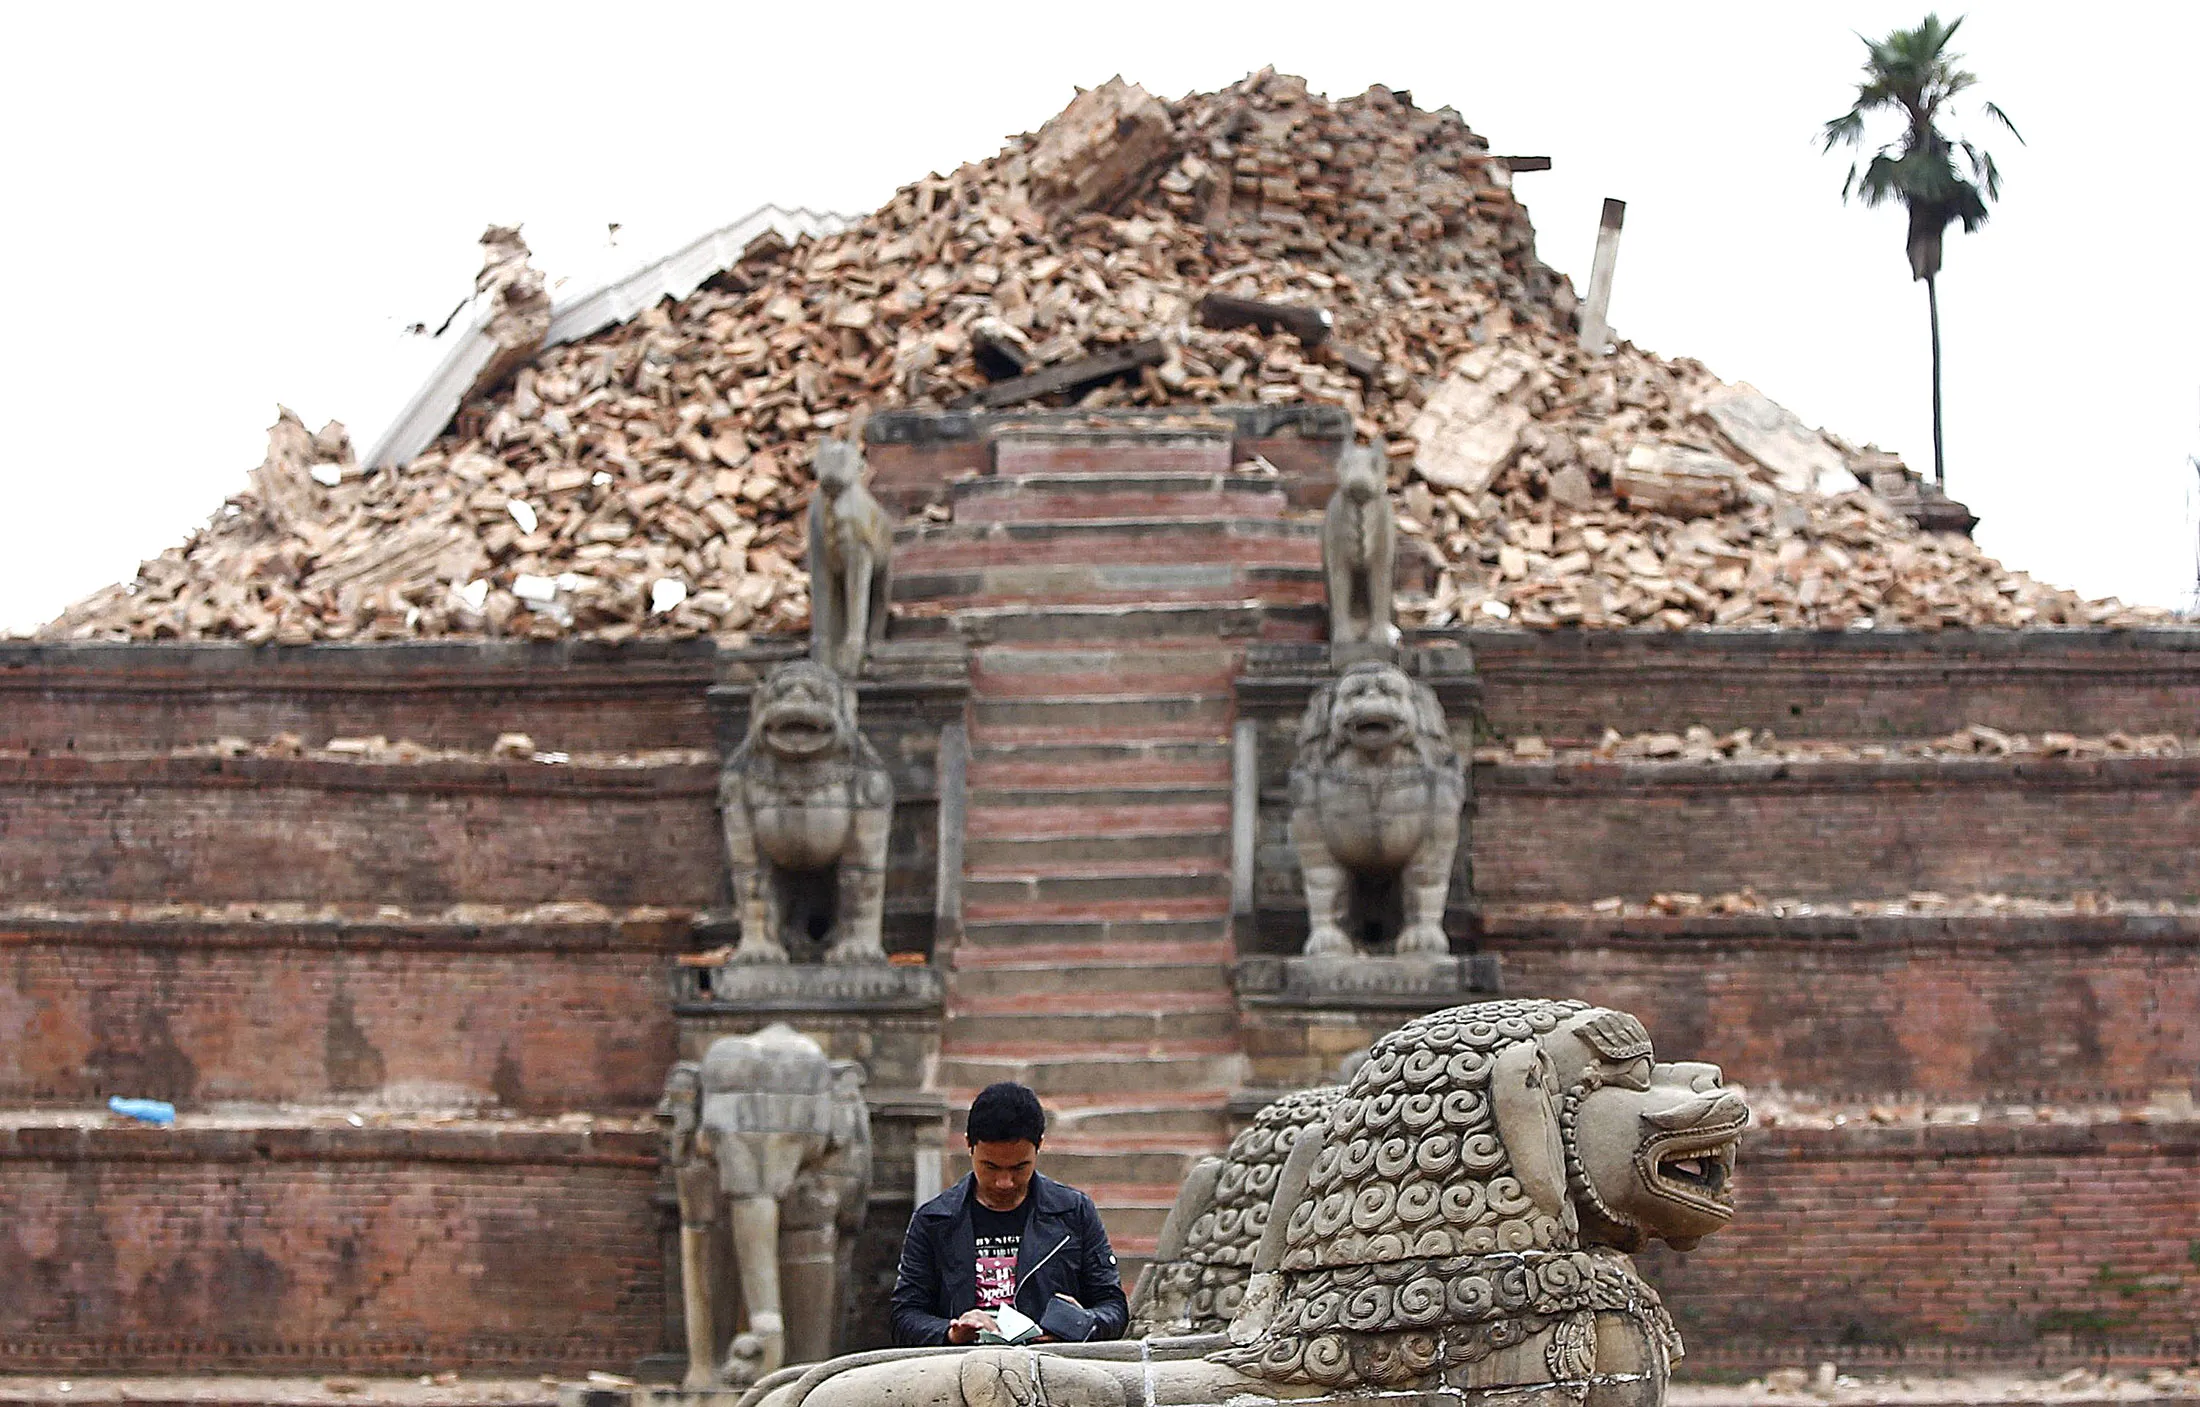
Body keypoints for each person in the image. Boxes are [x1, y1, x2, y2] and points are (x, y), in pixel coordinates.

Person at [890, 1081, 1128, 1346]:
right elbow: (905, 1317)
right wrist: (951, 1332)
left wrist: (1082, 1323)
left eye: (1019, 1167)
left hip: (1052, 1366)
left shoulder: (1073, 1212)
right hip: (963, 1368)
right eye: (990, 1167)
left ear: (1039, 1146)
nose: (1005, 1182)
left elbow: (1113, 1307)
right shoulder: (934, 1220)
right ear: (969, 1145)